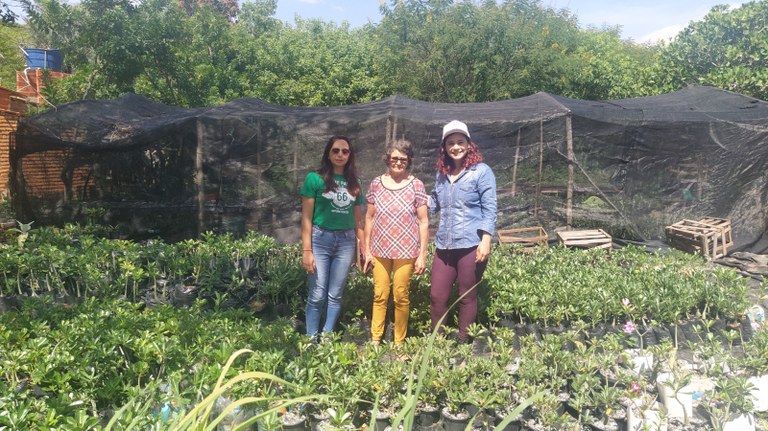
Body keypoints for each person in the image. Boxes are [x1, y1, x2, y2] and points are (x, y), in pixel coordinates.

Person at [429, 120, 497, 342]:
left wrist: (486, 240)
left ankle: (463, 341)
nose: (455, 147)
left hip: (470, 244)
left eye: (460, 142)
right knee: (437, 296)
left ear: (469, 145)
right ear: (445, 147)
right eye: (451, 143)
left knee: (467, 296)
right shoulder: (442, 174)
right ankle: (438, 342)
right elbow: (432, 203)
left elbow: (490, 208)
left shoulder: (481, 172)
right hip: (444, 245)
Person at [364, 139, 429, 346]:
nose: (398, 162)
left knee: (401, 296)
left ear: (408, 160)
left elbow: (423, 221)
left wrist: (422, 254)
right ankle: (375, 340)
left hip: (407, 251)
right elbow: (369, 218)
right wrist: (366, 249)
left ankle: (399, 341)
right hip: (379, 250)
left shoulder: (416, 185)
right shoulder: (376, 183)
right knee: (380, 295)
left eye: (403, 159)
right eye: (395, 158)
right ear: (388, 159)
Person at [300, 135, 366, 340]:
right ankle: (311, 340)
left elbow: (359, 221)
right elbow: (306, 218)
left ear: (350, 155)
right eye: (335, 150)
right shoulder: (314, 179)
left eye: (345, 151)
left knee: (335, 294)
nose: (340, 154)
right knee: (317, 294)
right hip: (320, 239)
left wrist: (363, 250)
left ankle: (327, 339)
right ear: (328, 154)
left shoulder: (355, 183)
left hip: (346, 242)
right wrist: (307, 250)